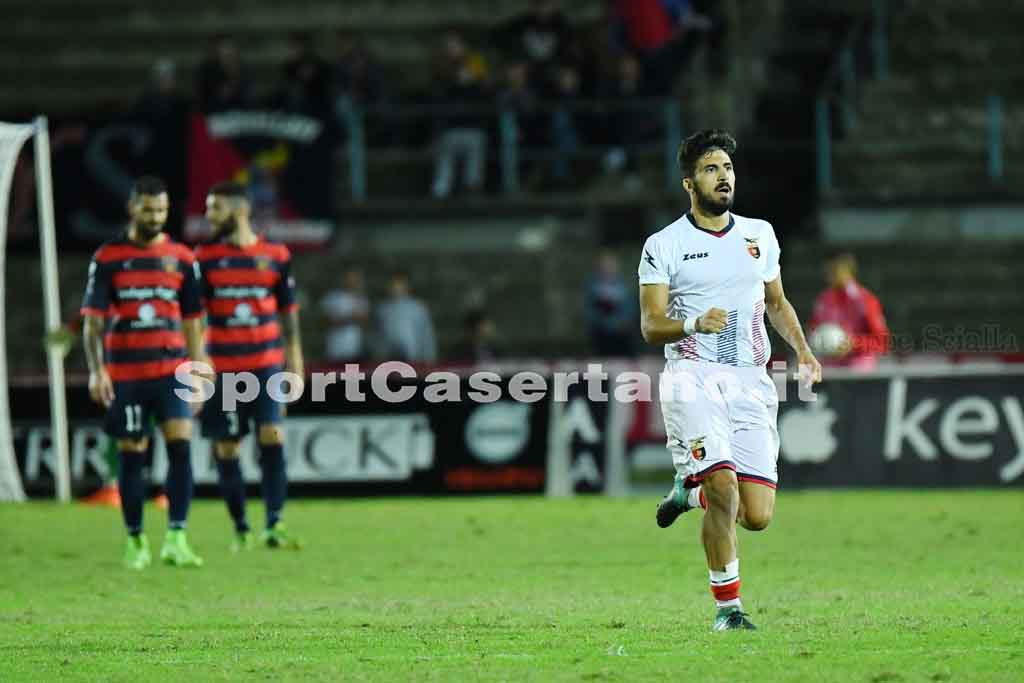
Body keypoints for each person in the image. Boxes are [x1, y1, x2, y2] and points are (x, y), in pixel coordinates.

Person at [638, 130, 821, 630]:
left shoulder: (759, 234)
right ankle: (729, 610)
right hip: (693, 377)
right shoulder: (664, 245)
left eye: (727, 169)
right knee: (724, 489)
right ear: (688, 183)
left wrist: (802, 350)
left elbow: (777, 303)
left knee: (756, 514)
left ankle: (686, 491)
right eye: (711, 170)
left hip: (750, 381)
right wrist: (694, 323)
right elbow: (652, 325)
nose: (723, 177)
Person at [81, 176, 209, 570]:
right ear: (132, 208)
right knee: (132, 456)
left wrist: (200, 370)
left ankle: (177, 537)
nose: (155, 216)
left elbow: (192, 320)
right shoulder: (108, 258)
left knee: (181, 448)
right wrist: (97, 370)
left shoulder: (183, 259)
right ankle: (136, 540)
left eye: (161, 209)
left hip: (171, 371)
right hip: (127, 375)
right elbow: (93, 324)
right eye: (148, 208)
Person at [196, 182, 305, 551]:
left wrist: (296, 366)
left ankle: (274, 523)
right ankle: (241, 528)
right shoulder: (205, 259)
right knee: (227, 448)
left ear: (239, 210)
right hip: (223, 370)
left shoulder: (275, 255)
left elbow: (288, 315)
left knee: (272, 437)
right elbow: (194, 317)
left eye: (215, 208)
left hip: (266, 366)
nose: (209, 216)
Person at [431, 31, 490, 199]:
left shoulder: (475, 62)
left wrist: (472, 78)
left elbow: (484, 88)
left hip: (473, 125)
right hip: (449, 127)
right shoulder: (441, 68)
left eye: (456, 45)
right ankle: (440, 193)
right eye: (449, 46)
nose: (453, 49)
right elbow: (439, 94)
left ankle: (472, 190)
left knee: (474, 157)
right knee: (444, 165)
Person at [809, 251, 890, 370]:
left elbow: (882, 342)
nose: (829, 275)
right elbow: (812, 332)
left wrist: (853, 344)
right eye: (827, 271)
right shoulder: (823, 301)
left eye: (834, 270)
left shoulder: (865, 300)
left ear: (848, 270)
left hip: (858, 370)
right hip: (828, 368)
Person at [376, 271, 437, 363]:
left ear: (407, 286)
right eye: (393, 284)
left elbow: (427, 336)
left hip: (415, 360)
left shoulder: (418, 308)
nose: (396, 287)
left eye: (399, 283)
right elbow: (379, 337)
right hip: (388, 362)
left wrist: (430, 359)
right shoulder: (382, 309)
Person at [585, 249, 636, 357]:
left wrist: (622, 323)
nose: (607, 268)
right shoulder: (592, 286)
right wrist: (605, 323)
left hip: (622, 335)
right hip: (600, 334)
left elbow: (629, 310)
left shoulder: (623, 286)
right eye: (604, 265)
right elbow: (590, 311)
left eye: (610, 264)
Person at [320, 266, 370, 363]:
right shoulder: (332, 297)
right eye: (349, 277)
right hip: (334, 348)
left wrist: (345, 318)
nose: (352, 281)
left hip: (354, 348)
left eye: (355, 278)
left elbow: (365, 322)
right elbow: (326, 321)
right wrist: (351, 317)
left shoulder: (362, 299)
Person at [195, 35, 252, 113]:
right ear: (217, 52)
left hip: (238, 114)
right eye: (225, 50)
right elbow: (202, 98)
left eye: (231, 50)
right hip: (213, 114)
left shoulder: (244, 71)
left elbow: (248, 98)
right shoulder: (207, 72)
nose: (228, 53)